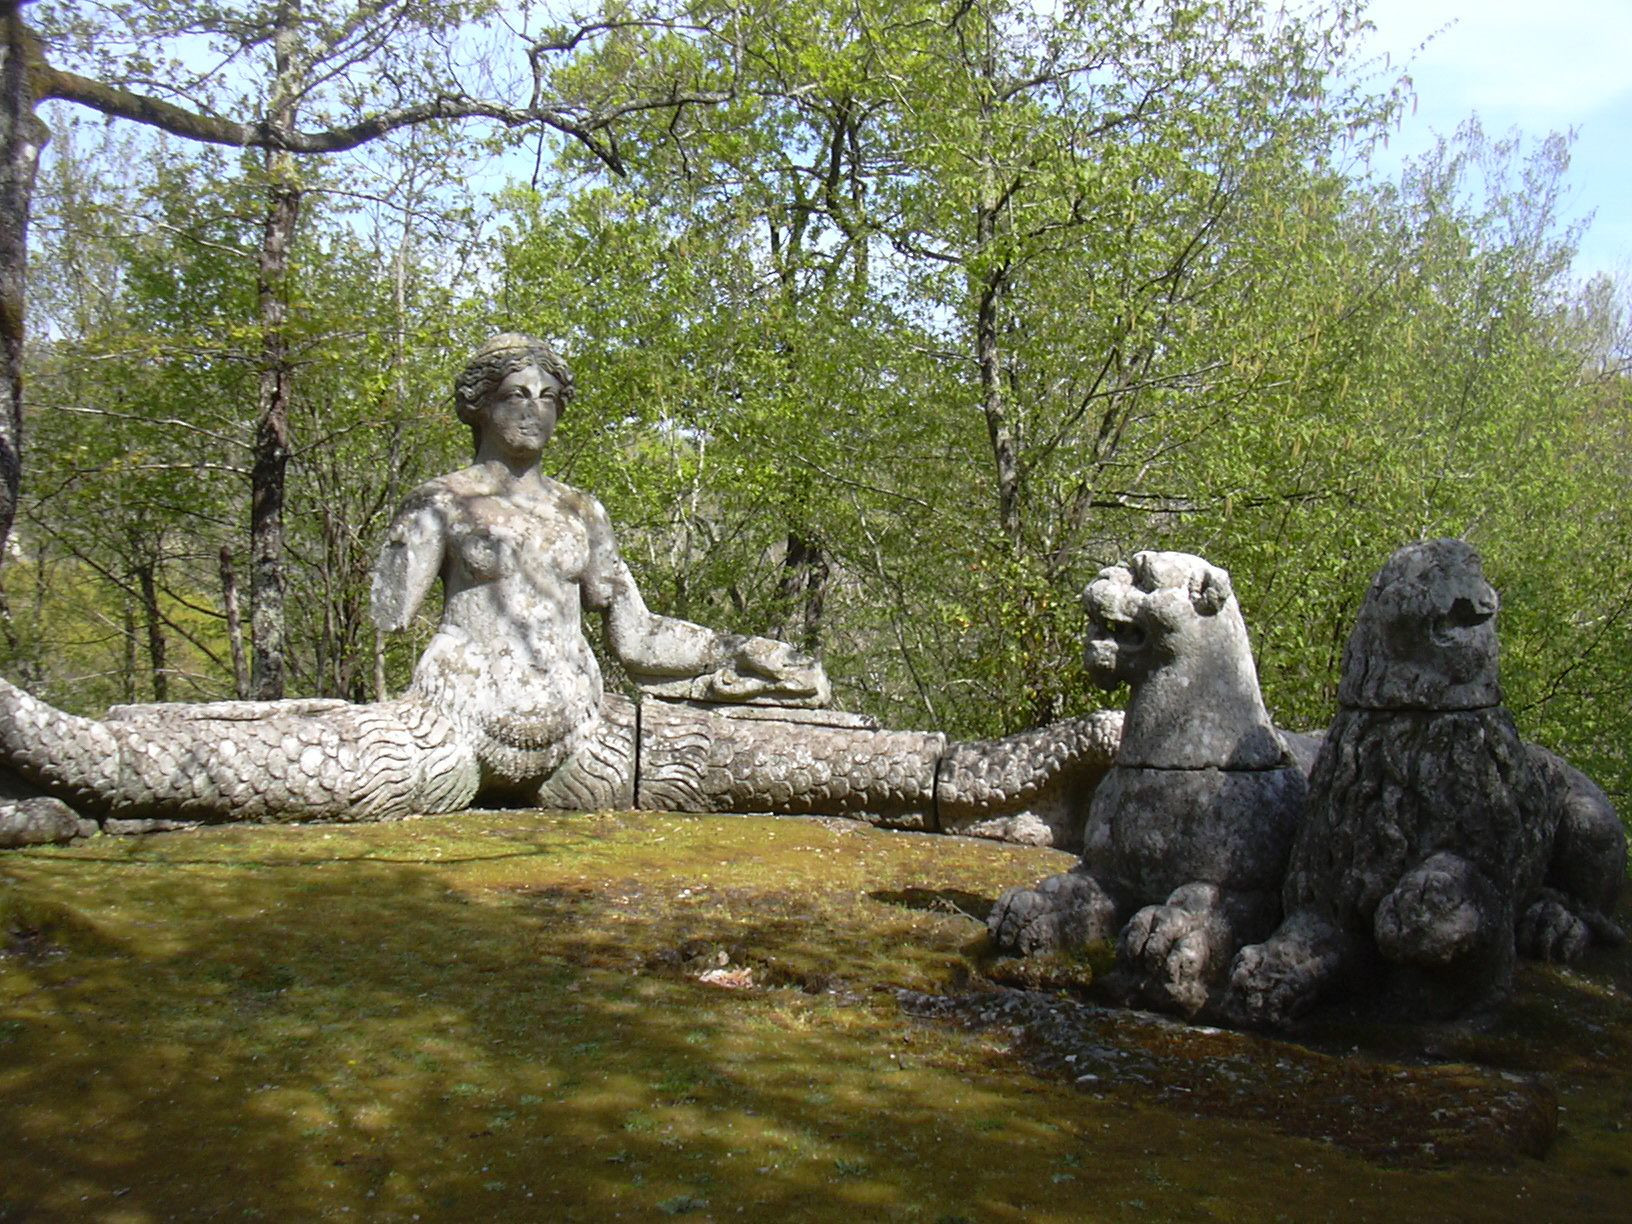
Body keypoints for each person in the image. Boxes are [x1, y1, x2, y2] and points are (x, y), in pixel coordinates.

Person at [371, 333, 828, 791]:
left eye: (547, 398)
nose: (533, 410)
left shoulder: (581, 510)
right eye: (516, 395)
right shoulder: (441, 502)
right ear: (481, 405)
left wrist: (738, 652)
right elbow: (390, 611)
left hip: (579, 732)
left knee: (776, 762)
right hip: (458, 722)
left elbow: (637, 637)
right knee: (345, 768)